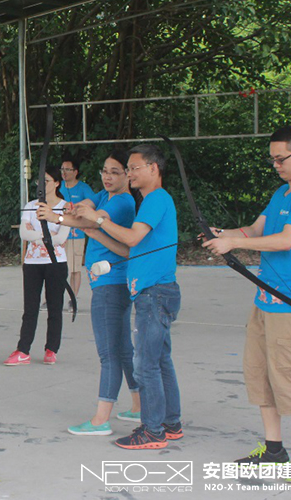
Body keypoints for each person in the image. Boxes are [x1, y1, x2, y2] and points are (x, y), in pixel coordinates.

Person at [203, 126, 291, 480]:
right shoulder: (281, 193)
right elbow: (257, 230)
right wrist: (223, 234)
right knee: (260, 375)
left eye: (281, 158)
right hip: (264, 300)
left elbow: (286, 240)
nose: (276, 165)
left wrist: (233, 245)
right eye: (273, 159)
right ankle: (274, 450)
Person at [77, 144, 182, 450]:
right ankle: (170, 423)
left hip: (155, 293)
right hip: (153, 291)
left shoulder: (155, 199)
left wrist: (98, 220)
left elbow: (133, 237)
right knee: (159, 360)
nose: (130, 173)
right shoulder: (152, 201)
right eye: (130, 168)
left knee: (146, 364)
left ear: (154, 169)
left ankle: (152, 430)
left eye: (134, 168)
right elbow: (130, 249)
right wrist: (95, 229)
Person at [44, 151, 141, 435]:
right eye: (104, 171)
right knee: (123, 349)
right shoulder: (105, 195)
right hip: (110, 281)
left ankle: (101, 419)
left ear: (127, 175)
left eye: (115, 172)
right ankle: (138, 406)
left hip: (111, 283)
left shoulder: (122, 201)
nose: (107, 177)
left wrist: (55, 217)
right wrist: (69, 207)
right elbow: (85, 207)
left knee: (109, 352)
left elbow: (91, 221)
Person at [5, 165, 70, 367]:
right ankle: (23, 350)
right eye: (39, 181)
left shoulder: (65, 207)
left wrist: (38, 235)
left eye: (46, 181)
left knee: (54, 307)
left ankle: (51, 349)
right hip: (32, 263)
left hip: (56, 263)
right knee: (30, 308)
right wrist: (46, 236)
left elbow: (61, 238)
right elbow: (24, 234)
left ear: (57, 183)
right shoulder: (31, 205)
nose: (41, 185)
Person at [59, 155, 95, 309]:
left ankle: (72, 299)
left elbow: (93, 204)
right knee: (55, 268)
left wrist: (76, 208)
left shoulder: (83, 188)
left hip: (76, 235)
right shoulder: (57, 186)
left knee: (74, 269)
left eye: (68, 169)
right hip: (58, 235)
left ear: (75, 172)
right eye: (62, 169)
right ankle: (52, 298)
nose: (64, 172)